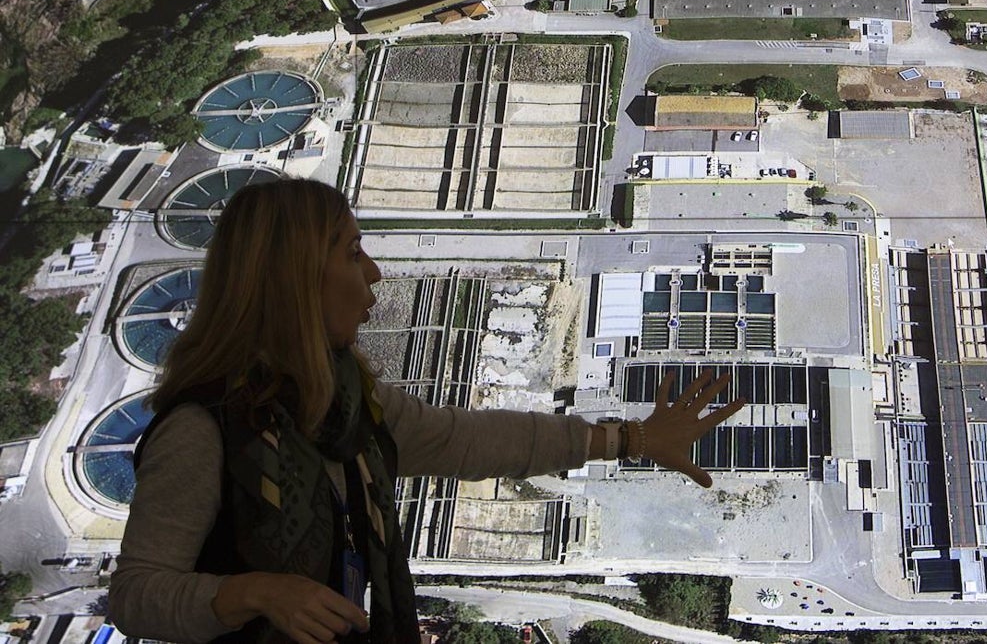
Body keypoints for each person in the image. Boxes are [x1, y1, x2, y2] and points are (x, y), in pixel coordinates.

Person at [109, 178, 745, 644]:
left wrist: (630, 438)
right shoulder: (202, 431)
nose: (376, 272)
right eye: (353, 252)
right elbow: (136, 597)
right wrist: (252, 592)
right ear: (297, 279)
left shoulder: (351, 402)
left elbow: (473, 441)